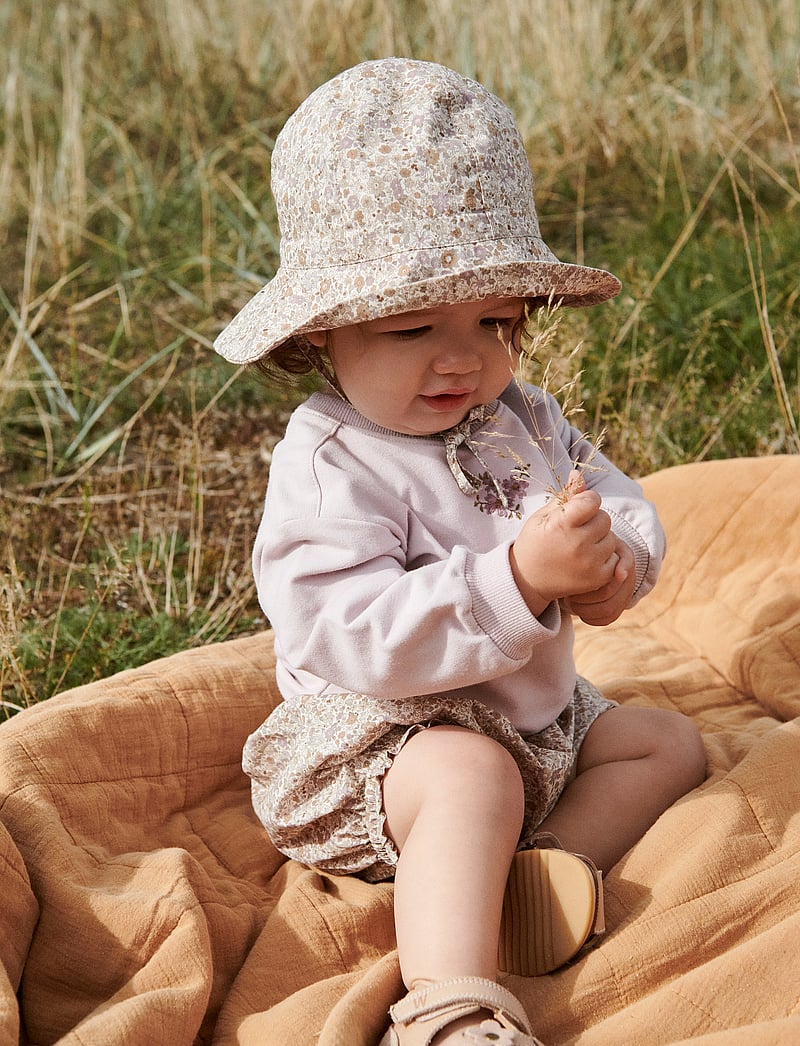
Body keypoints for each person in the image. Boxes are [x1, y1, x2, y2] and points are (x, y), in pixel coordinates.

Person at [214, 58, 706, 1046]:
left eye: (494, 321)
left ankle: (536, 874)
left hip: (533, 720)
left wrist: (611, 563)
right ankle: (447, 999)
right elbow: (354, 636)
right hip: (383, 739)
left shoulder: (519, 414)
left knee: (666, 741)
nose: (464, 358)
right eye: (411, 326)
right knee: (468, 777)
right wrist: (519, 578)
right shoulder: (333, 461)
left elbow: (608, 496)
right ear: (320, 335)